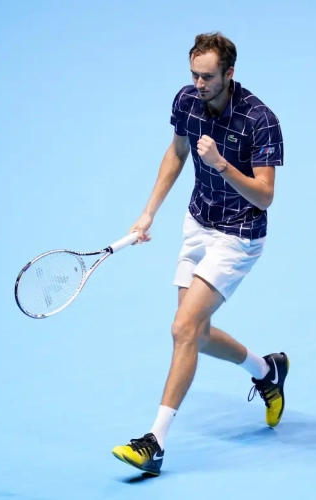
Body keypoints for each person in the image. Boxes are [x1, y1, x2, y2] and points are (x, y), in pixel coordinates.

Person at [111, 32, 288, 476]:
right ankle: (267, 371)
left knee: (182, 327)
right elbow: (175, 153)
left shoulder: (260, 120)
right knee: (198, 334)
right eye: (193, 74)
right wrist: (148, 212)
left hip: (239, 235)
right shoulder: (187, 101)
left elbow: (265, 197)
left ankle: (155, 441)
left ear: (229, 73)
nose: (198, 84)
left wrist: (223, 165)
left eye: (207, 76)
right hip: (198, 223)